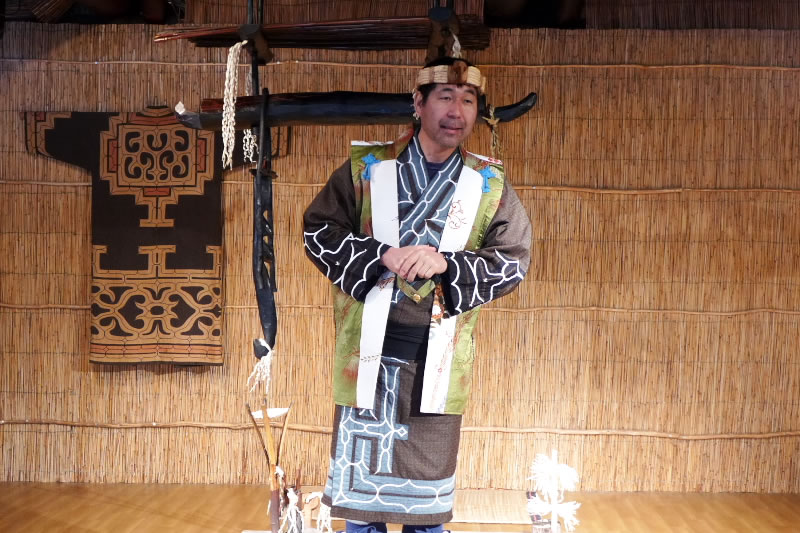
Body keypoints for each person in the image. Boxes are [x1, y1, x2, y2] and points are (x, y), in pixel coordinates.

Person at [303, 56, 532, 533]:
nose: (457, 111)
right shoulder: (367, 168)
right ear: (419, 103)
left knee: (426, 515)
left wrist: (449, 264)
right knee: (362, 512)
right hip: (368, 362)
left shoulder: (489, 183)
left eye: (468, 101)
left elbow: (513, 259)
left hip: (436, 366)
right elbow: (318, 232)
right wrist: (382, 255)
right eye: (445, 97)